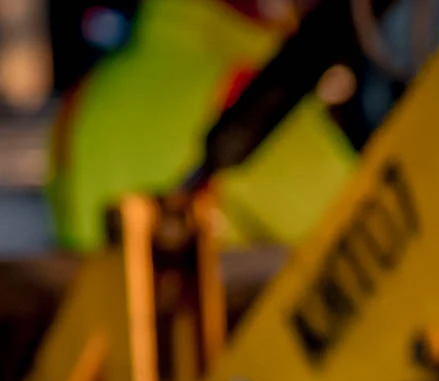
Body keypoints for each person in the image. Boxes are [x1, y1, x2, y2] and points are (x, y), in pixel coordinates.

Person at [47, 0, 354, 250]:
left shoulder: (82, 100)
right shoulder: (250, 94)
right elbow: (359, 224)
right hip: (232, 322)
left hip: (101, 319)